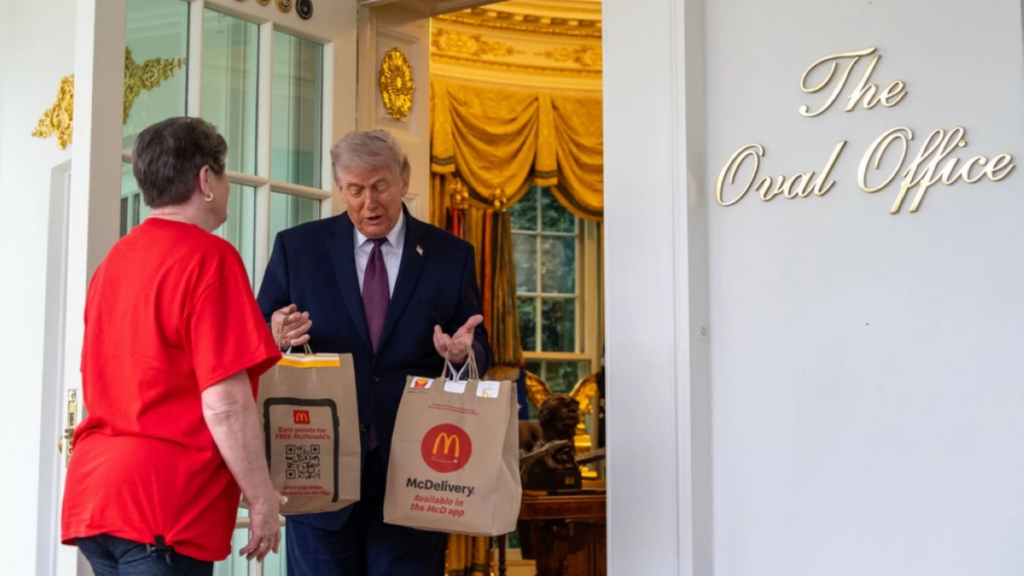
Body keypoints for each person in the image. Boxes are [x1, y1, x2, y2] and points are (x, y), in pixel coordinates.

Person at [257, 129, 493, 576]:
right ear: (340, 188)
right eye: (355, 189)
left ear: (403, 181)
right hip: (319, 465)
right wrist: (277, 335)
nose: (370, 202)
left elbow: (478, 341)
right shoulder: (298, 248)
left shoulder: (450, 254)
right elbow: (257, 334)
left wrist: (462, 355)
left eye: (380, 185)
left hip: (417, 468)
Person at [61, 117, 285, 576]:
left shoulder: (115, 261)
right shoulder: (210, 258)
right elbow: (224, 403)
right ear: (206, 179)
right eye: (222, 174)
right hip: (163, 507)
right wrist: (261, 496)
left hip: (96, 497)